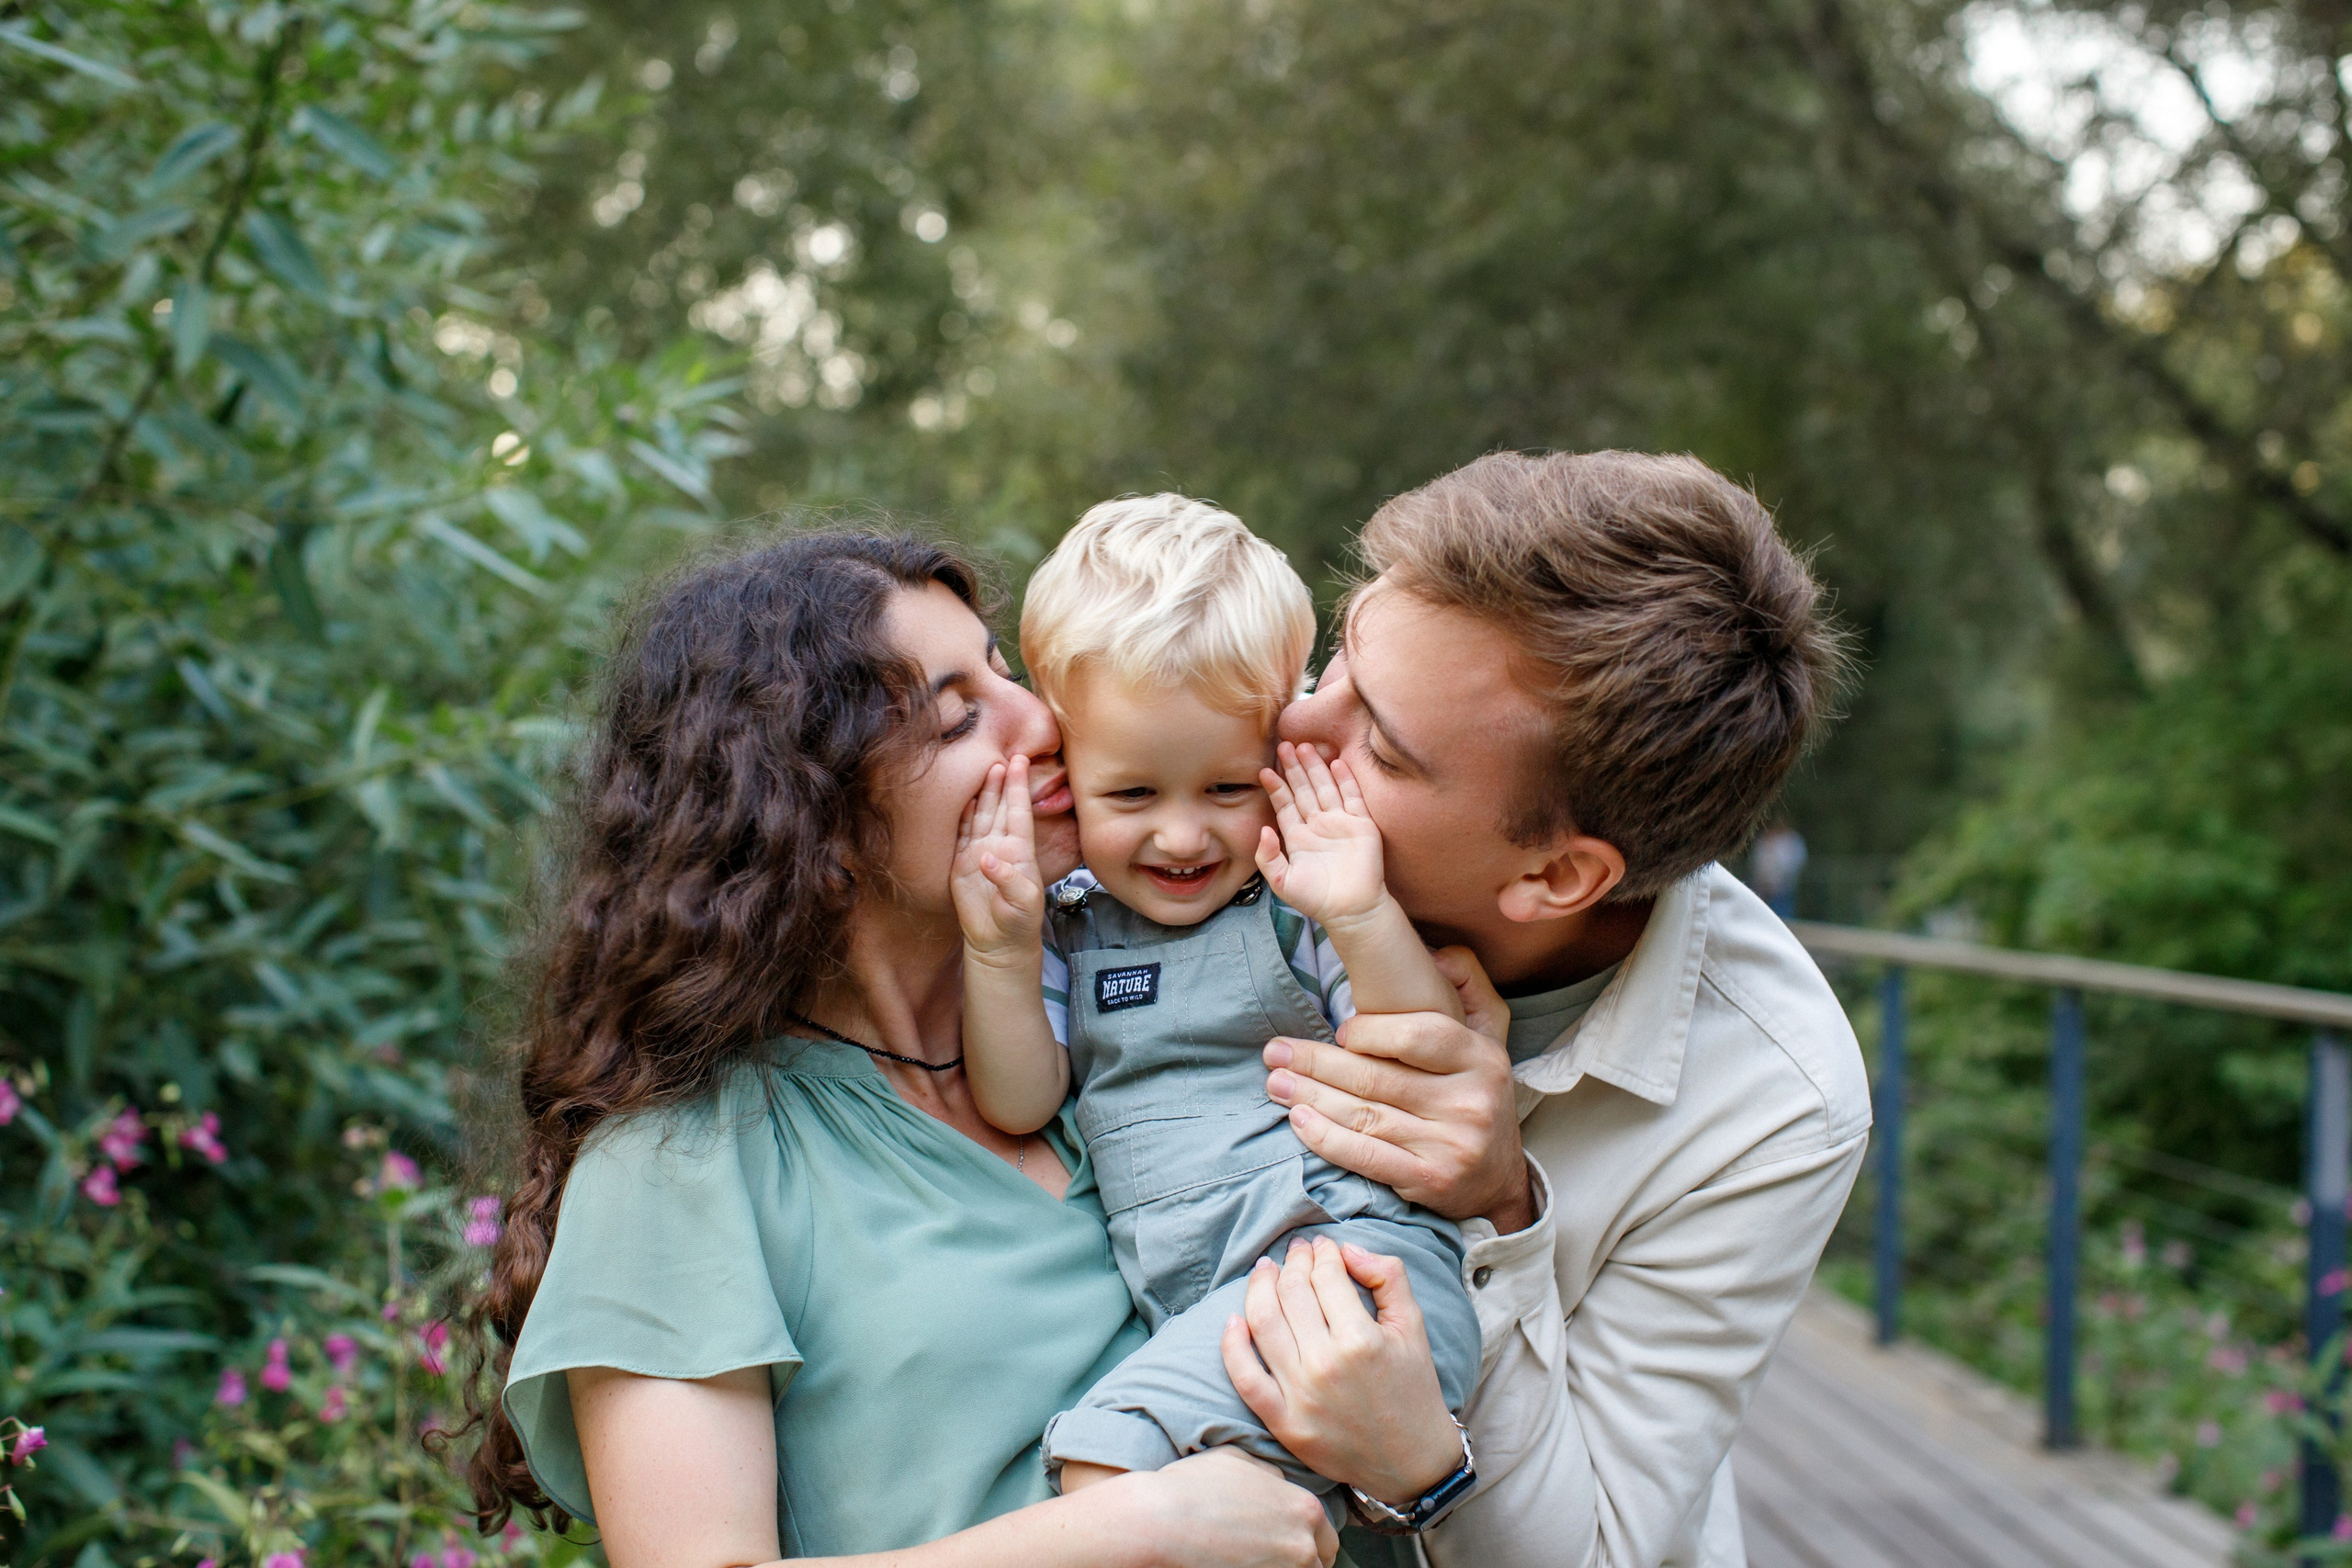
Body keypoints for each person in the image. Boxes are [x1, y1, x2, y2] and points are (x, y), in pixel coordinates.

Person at [456, 531, 1496, 1568]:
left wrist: (1422, 1452)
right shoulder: (683, 1161)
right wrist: (1133, 1530)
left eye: (1005, 671)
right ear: (805, 826)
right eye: (958, 718)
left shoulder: (1106, 1029)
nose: (1043, 723)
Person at [1261, 451, 1873, 1567]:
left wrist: (1497, 1212)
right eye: (1335, 656)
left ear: (1554, 878)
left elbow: (1590, 1551)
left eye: (1381, 746)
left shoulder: (1778, 1098)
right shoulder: (1222, 832)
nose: (1296, 729)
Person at [949, 498, 1479, 1519]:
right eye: (1132, 796)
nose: (1183, 837)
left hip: (1352, 1275)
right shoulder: (1069, 927)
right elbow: (1019, 1100)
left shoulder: (1296, 898)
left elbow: (1428, 1051)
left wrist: (1360, 913)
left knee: (1110, 1467)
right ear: (1065, 764)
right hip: (1213, 1313)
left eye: (1228, 787)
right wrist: (998, 953)